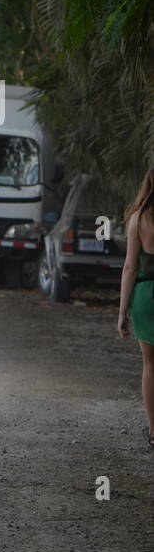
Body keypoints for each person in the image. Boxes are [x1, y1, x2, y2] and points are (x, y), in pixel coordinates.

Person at [118, 168, 154, 448]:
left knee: (150, 364)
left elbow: (130, 267)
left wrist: (121, 312)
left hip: (145, 295)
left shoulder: (138, 219)